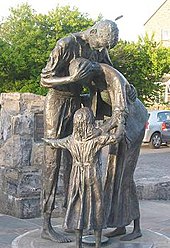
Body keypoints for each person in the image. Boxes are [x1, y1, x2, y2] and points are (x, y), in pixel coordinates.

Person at [40, 19, 120, 242]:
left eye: (103, 47)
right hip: (56, 102)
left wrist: (125, 90)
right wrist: (71, 78)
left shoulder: (99, 47)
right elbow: (44, 79)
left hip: (77, 103)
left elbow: (110, 73)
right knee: (52, 162)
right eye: (99, 44)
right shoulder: (66, 44)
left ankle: (71, 220)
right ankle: (46, 225)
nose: (99, 50)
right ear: (93, 32)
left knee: (74, 162)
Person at [67, 58, 148, 241]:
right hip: (120, 129)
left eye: (82, 82)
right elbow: (98, 105)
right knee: (113, 176)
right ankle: (120, 225)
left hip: (132, 128)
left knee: (125, 177)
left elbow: (120, 114)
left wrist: (98, 132)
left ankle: (136, 227)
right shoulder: (96, 80)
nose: (84, 85)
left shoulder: (113, 78)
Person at [42, 107, 124, 248]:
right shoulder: (97, 140)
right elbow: (117, 137)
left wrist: (47, 140)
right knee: (97, 204)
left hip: (77, 177)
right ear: (90, 122)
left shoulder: (71, 140)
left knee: (77, 206)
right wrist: (121, 123)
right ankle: (98, 243)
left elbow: (55, 143)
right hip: (92, 176)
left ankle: (78, 244)